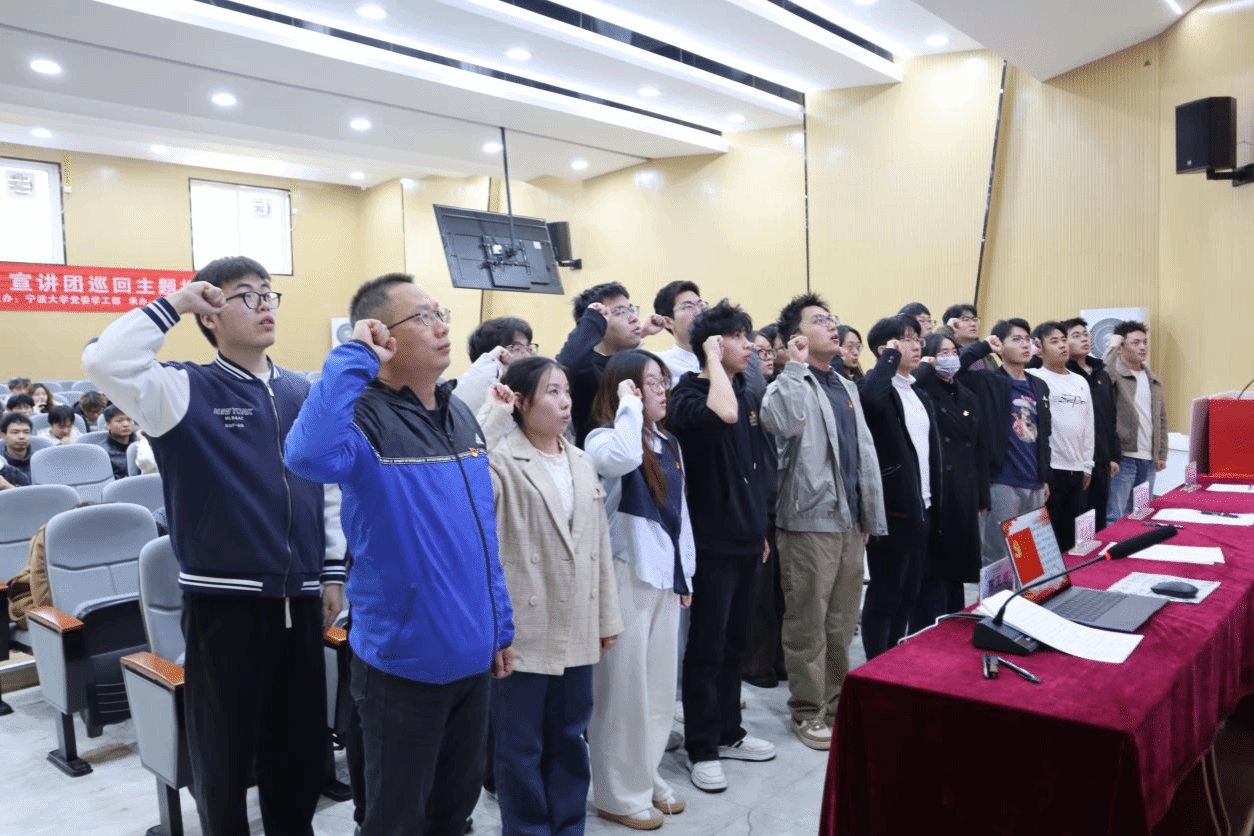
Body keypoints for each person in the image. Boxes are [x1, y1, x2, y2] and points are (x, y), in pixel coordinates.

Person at [82, 255, 342, 836]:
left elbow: (325, 487)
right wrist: (176, 301)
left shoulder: (301, 392)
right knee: (222, 751)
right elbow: (103, 359)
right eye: (246, 295)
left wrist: (330, 571)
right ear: (210, 313)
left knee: (299, 748)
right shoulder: (181, 389)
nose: (264, 304)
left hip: (300, 597)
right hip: (224, 600)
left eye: (269, 293)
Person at [283, 272, 513, 836]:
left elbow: (482, 540)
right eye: (423, 318)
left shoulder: (459, 414)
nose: (441, 328)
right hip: (402, 665)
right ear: (381, 335)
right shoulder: (362, 418)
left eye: (441, 315)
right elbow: (306, 456)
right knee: (394, 820)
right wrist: (353, 355)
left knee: (453, 811)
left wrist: (500, 628)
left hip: (473, 655)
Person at [476, 357, 622, 836]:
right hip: (524, 628)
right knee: (520, 747)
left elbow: (598, 547)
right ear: (520, 402)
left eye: (566, 391)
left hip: (577, 622)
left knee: (569, 738)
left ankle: (568, 827)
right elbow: (462, 483)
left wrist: (607, 617)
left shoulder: (580, 460)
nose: (564, 402)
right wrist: (491, 416)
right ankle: (527, 830)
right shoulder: (500, 461)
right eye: (551, 392)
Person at [761, 294, 886, 750]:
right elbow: (783, 423)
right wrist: (793, 369)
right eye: (819, 320)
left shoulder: (845, 385)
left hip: (848, 521)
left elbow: (861, 454)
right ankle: (808, 710)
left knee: (841, 623)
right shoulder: (787, 383)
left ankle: (836, 705)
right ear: (797, 336)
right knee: (808, 624)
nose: (833, 325)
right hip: (808, 520)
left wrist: (866, 511)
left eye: (832, 318)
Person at [585, 350, 694, 831]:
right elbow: (623, 459)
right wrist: (628, 405)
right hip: (625, 573)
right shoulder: (604, 437)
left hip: (664, 576)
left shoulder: (668, 440)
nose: (662, 390)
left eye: (663, 381)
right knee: (622, 690)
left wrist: (686, 574)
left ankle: (645, 776)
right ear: (625, 387)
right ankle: (617, 792)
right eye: (650, 382)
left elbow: (681, 514)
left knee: (657, 688)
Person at [668, 302, 774, 793]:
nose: (748, 344)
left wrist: (761, 528)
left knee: (735, 644)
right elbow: (723, 413)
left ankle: (729, 732)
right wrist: (710, 360)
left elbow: (755, 466)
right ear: (712, 344)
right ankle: (703, 746)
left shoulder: (746, 391)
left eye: (747, 335)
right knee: (707, 648)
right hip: (711, 543)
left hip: (746, 538)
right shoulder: (688, 396)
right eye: (736, 336)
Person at [859, 315, 942, 659]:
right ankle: (876, 663)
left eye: (917, 338)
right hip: (892, 507)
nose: (917, 345)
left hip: (923, 504)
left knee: (909, 593)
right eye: (906, 339)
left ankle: (892, 656)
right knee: (885, 592)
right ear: (886, 349)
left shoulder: (916, 392)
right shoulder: (877, 387)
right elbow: (871, 403)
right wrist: (888, 360)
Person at [958, 319, 1053, 567]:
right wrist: (983, 347)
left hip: (1034, 480)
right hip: (1002, 480)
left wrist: (1044, 476)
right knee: (998, 555)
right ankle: (997, 595)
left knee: (1030, 557)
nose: (1025, 345)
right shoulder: (988, 381)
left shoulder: (1039, 385)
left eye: (1027, 339)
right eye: (1016, 339)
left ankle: (1024, 594)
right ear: (1000, 346)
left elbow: (1044, 434)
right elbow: (958, 369)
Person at [913, 334, 988, 618]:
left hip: (964, 489)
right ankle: (930, 622)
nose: (951, 357)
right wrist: (924, 368)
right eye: (943, 352)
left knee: (957, 567)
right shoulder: (922, 391)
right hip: (939, 489)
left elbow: (979, 447)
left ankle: (954, 618)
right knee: (934, 569)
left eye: (953, 351)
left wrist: (982, 494)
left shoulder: (967, 395)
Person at [557, 282, 665, 444]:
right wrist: (592, 320)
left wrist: (641, 333)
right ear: (598, 325)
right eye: (621, 312)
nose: (634, 318)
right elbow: (571, 362)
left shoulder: (630, 364)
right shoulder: (591, 373)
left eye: (631, 309)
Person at [1026, 321, 1094, 551]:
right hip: (1051, 468)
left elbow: (1089, 425)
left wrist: (1087, 465)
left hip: (1077, 468)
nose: (1062, 345)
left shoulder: (1080, 381)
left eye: (1064, 340)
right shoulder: (1034, 377)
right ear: (1040, 347)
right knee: (1046, 537)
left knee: (1070, 538)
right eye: (1054, 341)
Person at [1105, 321, 1167, 520]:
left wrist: (1161, 453)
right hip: (1124, 457)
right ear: (1121, 346)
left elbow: (1161, 418)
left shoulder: (1153, 379)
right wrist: (1112, 347)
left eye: (1145, 342)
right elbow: (1103, 372)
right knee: (1115, 515)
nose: (1142, 347)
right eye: (1135, 342)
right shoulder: (1115, 375)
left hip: (1148, 459)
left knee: (1140, 513)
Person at [1063, 318, 1120, 529]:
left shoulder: (1101, 373)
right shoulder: (1064, 374)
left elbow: (1110, 416)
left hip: (1102, 461)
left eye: (1085, 334)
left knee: (1099, 521)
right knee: (1076, 522)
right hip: (1075, 462)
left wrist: (1113, 455)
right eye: (1076, 336)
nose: (1084, 339)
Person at [454, 316, 536, 414]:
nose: (527, 355)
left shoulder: (529, 395)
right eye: (516, 348)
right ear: (497, 355)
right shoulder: (472, 396)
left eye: (528, 348)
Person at [653, 280, 708, 383]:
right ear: (668, 322)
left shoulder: (724, 356)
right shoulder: (660, 365)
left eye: (701, 305)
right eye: (688, 306)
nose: (699, 312)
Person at [940, 304, 996, 371]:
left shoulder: (985, 355)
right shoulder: (950, 354)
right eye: (966, 320)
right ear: (953, 324)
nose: (973, 324)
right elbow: (934, 342)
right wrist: (948, 328)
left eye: (975, 319)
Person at [96, 405, 137, 480]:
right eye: (119, 421)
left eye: (129, 420)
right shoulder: (102, 453)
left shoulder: (142, 445)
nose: (126, 424)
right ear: (108, 425)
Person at [2, 412, 33, 480]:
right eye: (15, 432)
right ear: (3, 436)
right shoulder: (1, 464)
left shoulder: (40, 461)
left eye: (26, 432)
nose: (22, 437)